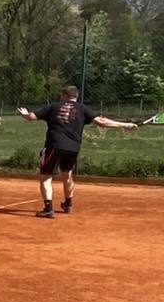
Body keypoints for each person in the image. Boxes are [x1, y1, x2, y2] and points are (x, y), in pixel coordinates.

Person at [17, 86, 136, 218]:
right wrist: (125, 125)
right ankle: (68, 204)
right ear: (76, 97)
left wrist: (25, 114)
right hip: (73, 148)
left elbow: (31, 117)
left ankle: (48, 209)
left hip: (54, 146)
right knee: (67, 175)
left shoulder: (53, 107)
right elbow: (101, 122)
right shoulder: (82, 108)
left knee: (46, 176)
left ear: (64, 96)